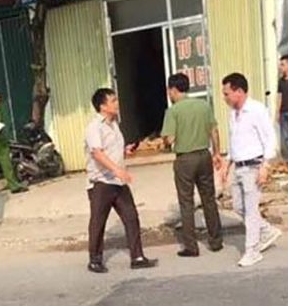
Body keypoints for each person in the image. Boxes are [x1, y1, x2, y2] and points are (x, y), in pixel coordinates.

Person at [85, 88, 158, 273]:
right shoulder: (94, 127)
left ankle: (137, 257)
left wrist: (125, 151)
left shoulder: (114, 124)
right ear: (102, 106)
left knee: (131, 217)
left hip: (118, 181)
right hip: (101, 181)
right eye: (113, 101)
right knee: (98, 222)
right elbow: (97, 153)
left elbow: (111, 149)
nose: (117, 103)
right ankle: (95, 260)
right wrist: (117, 169)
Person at [221, 73, 283, 267]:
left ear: (239, 91)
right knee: (238, 206)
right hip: (239, 166)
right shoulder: (233, 113)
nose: (225, 98)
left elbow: (269, 138)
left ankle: (252, 250)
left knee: (251, 210)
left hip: (253, 166)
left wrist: (265, 166)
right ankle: (267, 231)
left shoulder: (256, 110)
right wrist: (227, 163)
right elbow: (234, 140)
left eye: (227, 94)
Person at [161, 73, 223, 257]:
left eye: (169, 91)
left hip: (185, 159)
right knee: (209, 199)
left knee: (186, 202)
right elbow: (214, 130)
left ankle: (191, 246)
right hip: (204, 155)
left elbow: (170, 138)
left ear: (173, 90)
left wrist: (164, 141)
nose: (169, 94)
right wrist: (217, 153)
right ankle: (216, 241)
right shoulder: (203, 106)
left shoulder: (173, 111)